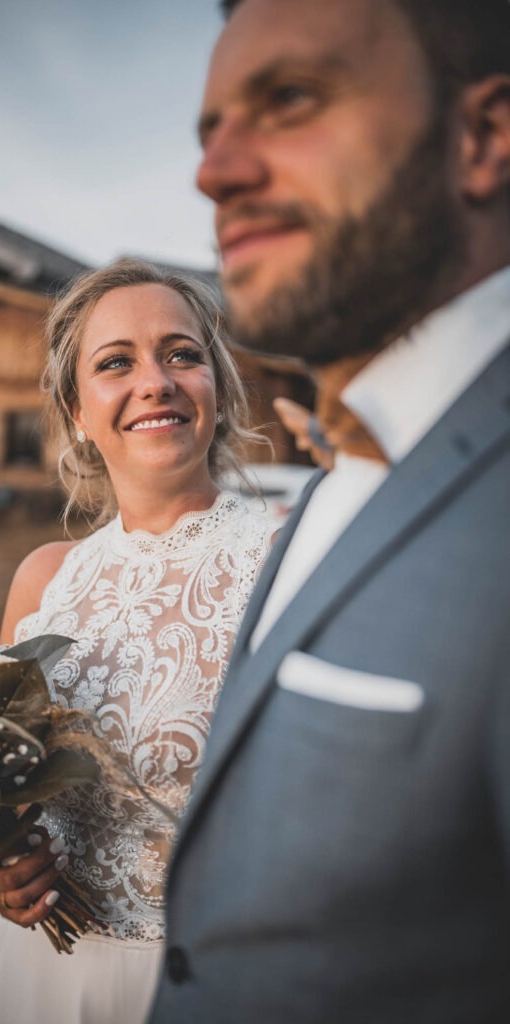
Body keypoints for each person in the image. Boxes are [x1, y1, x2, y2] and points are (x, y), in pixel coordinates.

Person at [148, 1, 510, 1022]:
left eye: (289, 99)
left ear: (481, 137)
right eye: (209, 127)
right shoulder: (332, 474)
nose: (212, 172)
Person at [0, 259, 276, 1024]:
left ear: (217, 386)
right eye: (115, 363)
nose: (155, 381)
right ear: (76, 410)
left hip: (214, 981)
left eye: (182, 353)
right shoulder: (43, 582)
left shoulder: (288, 556)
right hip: (41, 977)